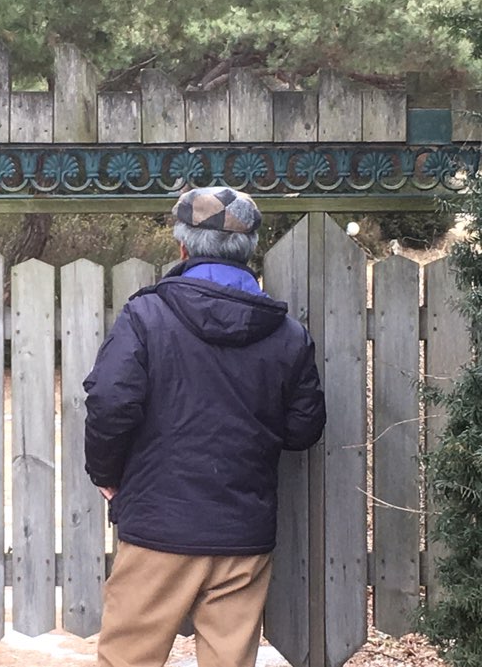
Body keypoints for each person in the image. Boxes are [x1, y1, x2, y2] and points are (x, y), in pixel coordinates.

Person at [84, 186, 326, 667]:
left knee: (128, 659)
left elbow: (110, 402)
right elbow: (303, 429)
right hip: (243, 532)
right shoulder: (288, 335)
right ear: (249, 249)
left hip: (158, 527)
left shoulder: (146, 316)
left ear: (182, 247)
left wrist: (105, 474)